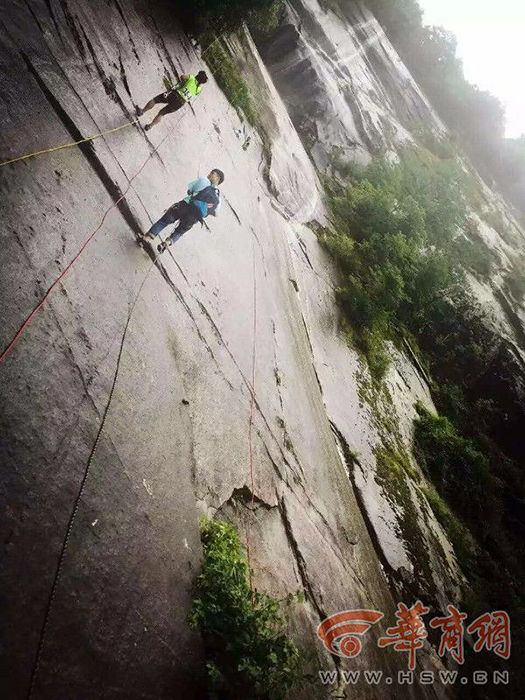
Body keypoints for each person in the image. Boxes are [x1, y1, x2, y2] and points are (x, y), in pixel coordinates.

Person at [141, 169, 224, 253]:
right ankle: (166, 243)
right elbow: (214, 213)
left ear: (218, 178)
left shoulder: (204, 181)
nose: (209, 174)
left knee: (164, 221)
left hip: (184, 206)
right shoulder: (219, 199)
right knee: (179, 232)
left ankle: (147, 238)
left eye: (212, 173)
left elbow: (190, 190)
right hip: (194, 218)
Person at [139, 70, 208, 131]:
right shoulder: (199, 89)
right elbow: (194, 93)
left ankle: (142, 111)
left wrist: (185, 82)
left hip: (175, 94)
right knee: (162, 113)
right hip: (180, 103)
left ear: (198, 75)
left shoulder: (191, 78)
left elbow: (182, 77)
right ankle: (150, 126)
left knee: (155, 100)